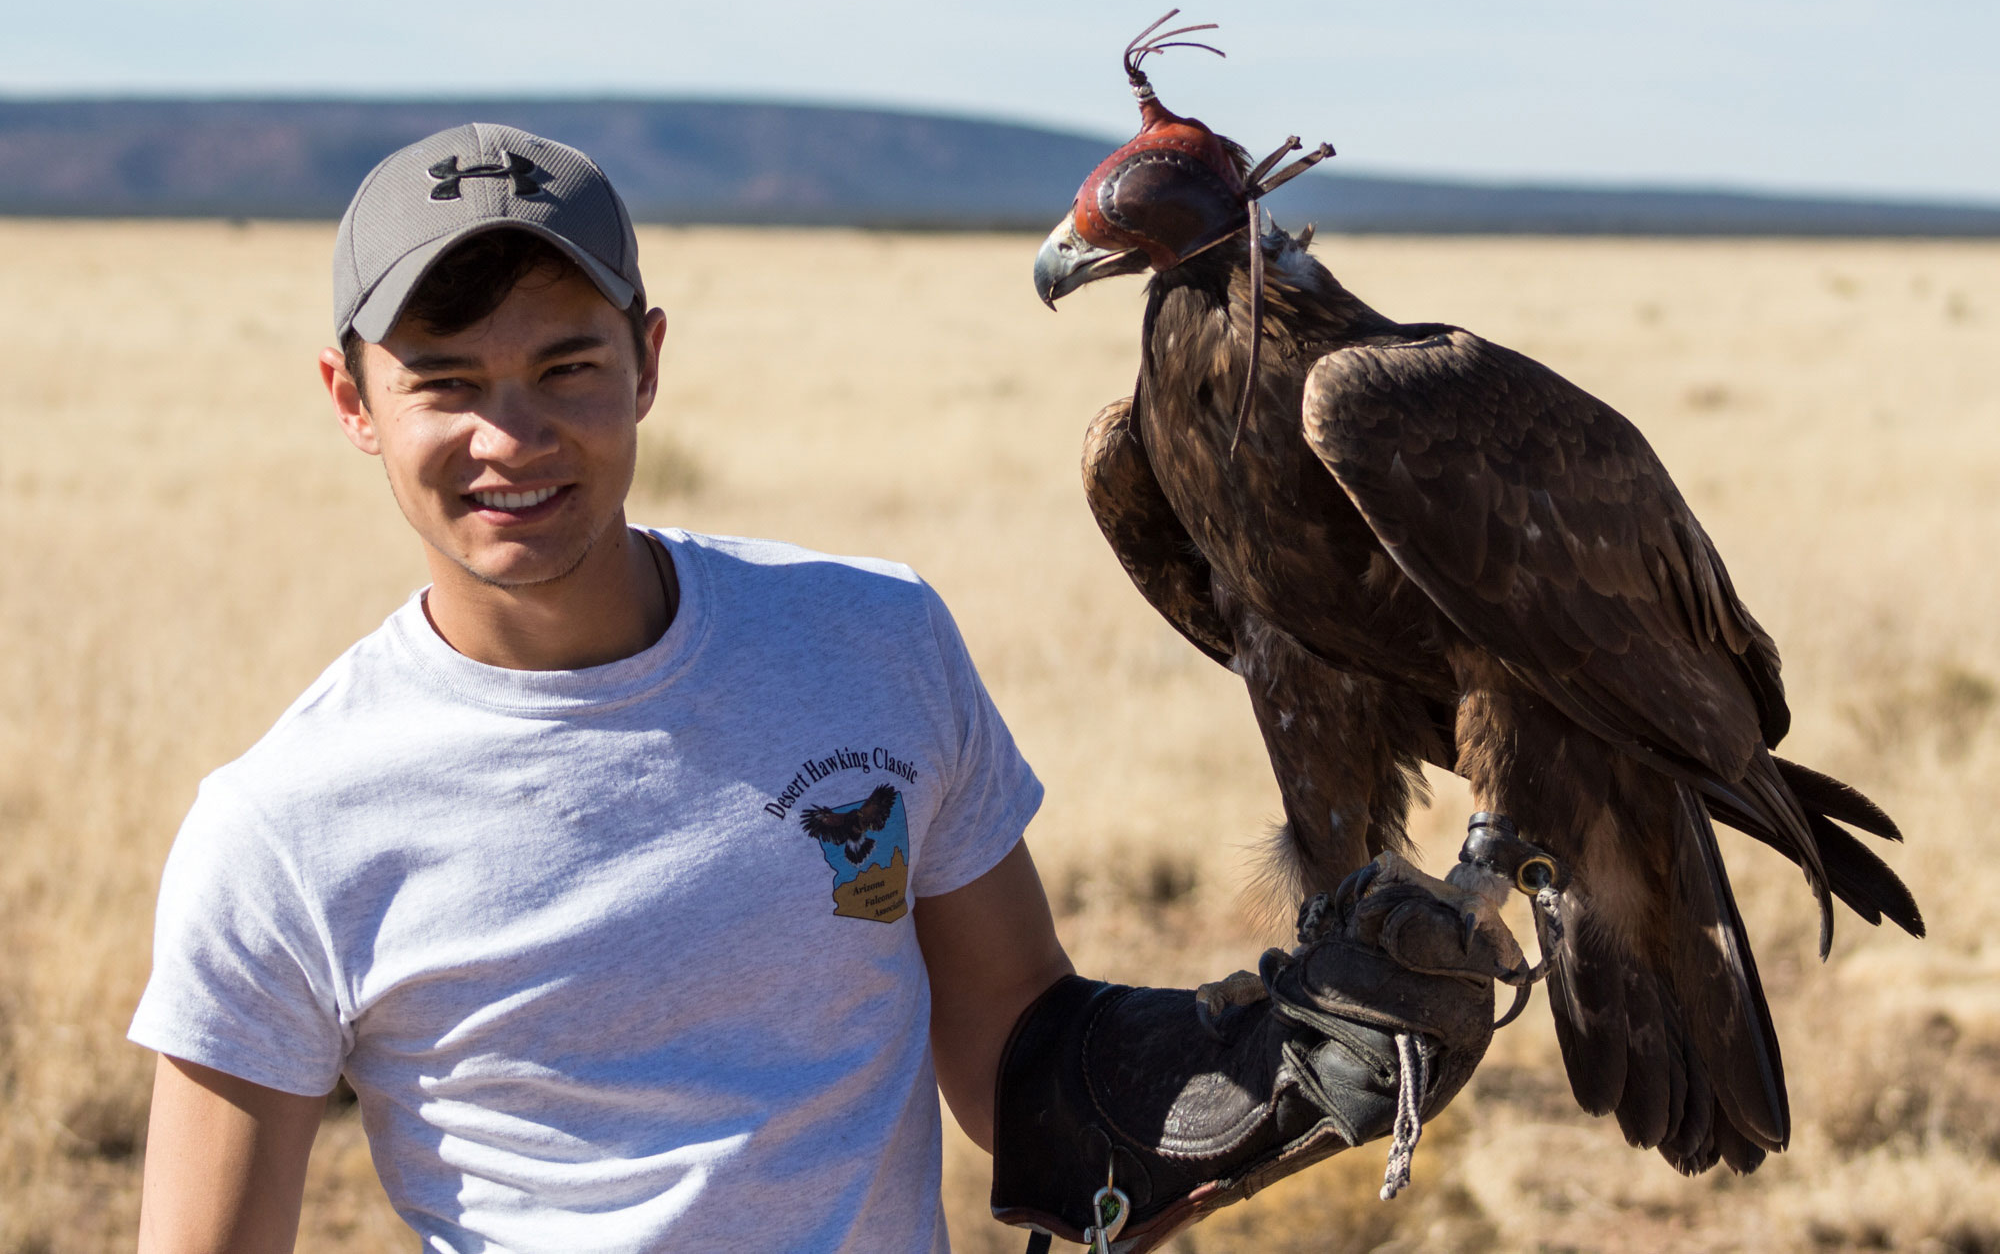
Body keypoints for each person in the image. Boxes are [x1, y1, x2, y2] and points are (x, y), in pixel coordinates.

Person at [130, 124, 1504, 1254]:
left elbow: (1020, 1050)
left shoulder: (870, 640)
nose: (513, 436)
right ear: (351, 399)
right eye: (445, 383)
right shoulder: (286, 826)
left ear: (648, 361)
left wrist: (1262, 1068)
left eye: (567, 367)